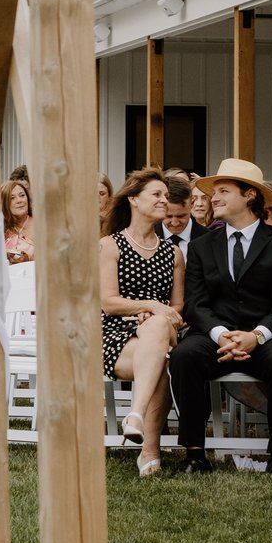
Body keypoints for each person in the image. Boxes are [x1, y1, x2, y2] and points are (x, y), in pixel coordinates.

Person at [168, 157, 272, 475]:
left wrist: (256, 335)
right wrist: (220, 334)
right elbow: (196, 303)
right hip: (215, 336)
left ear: (250, 195)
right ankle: (194, 454)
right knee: (183, 357)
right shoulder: (203, 246)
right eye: (213, 192)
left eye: (223, 191)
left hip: (267, 337)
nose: (212, 198)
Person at [101, 169, 185, 477]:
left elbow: (177, 305)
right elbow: (109, 302)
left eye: (167, 195)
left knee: (158, 329)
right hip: (116, 333)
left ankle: (135, 416)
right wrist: (149, 305)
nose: (165, 200)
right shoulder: (110, 245)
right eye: (157, 195)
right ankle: (150, 450)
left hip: (163, 331)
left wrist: (159, 315)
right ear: (134, 200)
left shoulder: (172, 253)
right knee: (159, 359)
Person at [159, 169, 199, 260]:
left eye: (181, 216)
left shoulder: (209, 240)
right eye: (168, 216)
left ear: (192, 203)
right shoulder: (145, 239)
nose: (175, 223)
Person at [2, 178, 36, 263]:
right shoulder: (0, 229)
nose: (19, 201)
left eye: (22, 195)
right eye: (12, 198)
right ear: (4, 203)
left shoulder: (39, 224)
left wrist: (28, 258)